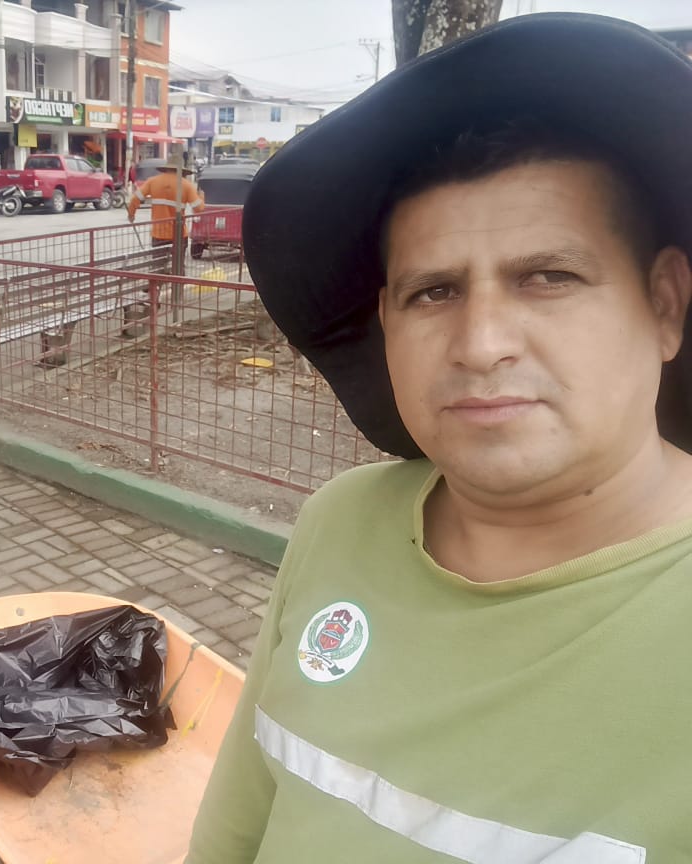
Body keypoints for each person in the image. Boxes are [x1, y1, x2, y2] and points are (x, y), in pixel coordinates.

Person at [186, 13, 692, 863]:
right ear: (387, 322)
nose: (481, 344)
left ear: (665, 304)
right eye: (433, 293)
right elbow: (241, 810)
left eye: (549, 276)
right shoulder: (342, 520)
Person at [127, 162, 205, 250]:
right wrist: (201, 197)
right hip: (179, 234)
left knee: (159, 258)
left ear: (165, 169)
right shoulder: (187, 185)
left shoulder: (152, 181)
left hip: (158, 233)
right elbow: (199, 208)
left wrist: (131, 215)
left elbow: (135, 199)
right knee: (178, 259)